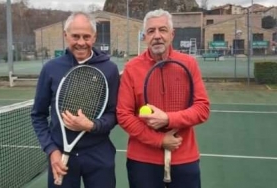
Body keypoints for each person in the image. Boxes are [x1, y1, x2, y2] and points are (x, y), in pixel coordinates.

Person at [116, 9, 210, 188]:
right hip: (142, 162)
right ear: (145, 36)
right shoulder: (131, 68)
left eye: (163, 30)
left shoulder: (189, 64)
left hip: (184, 159)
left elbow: (202, 109)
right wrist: (159, 140)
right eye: (151, 31)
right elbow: (124, 115)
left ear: (172, 34)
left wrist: (168, 118)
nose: (157, 36)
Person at [31, 11, 119, 188]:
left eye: (86, 36)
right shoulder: (50, 69)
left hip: (99, 154)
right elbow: (38, 115)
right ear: (65, 36)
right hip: (61, 155)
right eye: (75, 36)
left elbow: (113, 113)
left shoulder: (110, 69)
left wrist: (92, 126)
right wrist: (52, 150)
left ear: (94, 37)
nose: (81, 42)